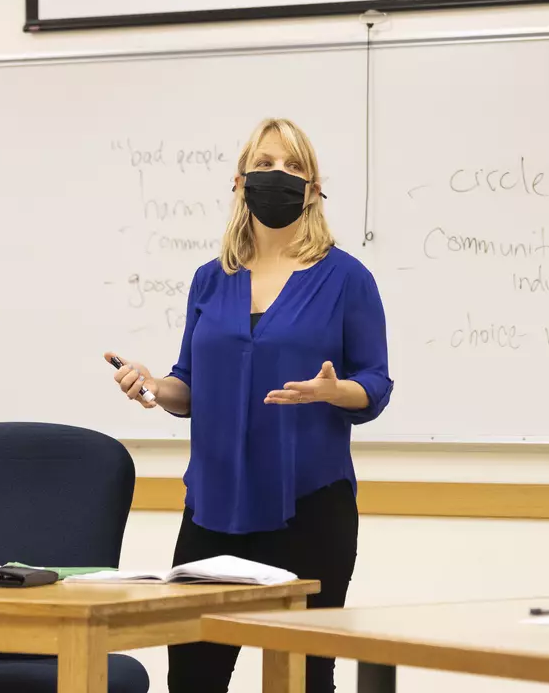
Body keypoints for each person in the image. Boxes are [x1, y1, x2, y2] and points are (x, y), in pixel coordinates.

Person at [104, 117, 392, 692]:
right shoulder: (211, 280)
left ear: (313, 188)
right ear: (239, 182)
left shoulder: (346, 278)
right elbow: (188, 384)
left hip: (309, 506)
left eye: (292, 166)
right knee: (192, 676)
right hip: (213, 505)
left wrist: (336, 392)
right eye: (263, 164)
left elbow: (376, 384)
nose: (276, 176)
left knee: (304, 676)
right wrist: (156, 387)